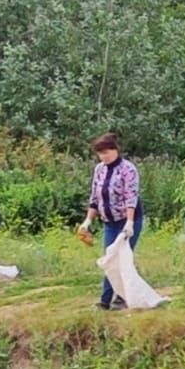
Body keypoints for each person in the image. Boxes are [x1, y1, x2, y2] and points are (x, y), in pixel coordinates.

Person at [79, 133, 142, 310]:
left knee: (122, 259)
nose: (103, 157)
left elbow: (131, 196)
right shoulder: (99, 169)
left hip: (128, 220)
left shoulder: (128, 169)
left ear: (115, 150)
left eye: (106, 152)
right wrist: (88, 221)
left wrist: (129, 222)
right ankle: (105, 301)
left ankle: (121, 298)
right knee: (109, 258)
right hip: (109, 221)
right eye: (100, 153)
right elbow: (95, 197)